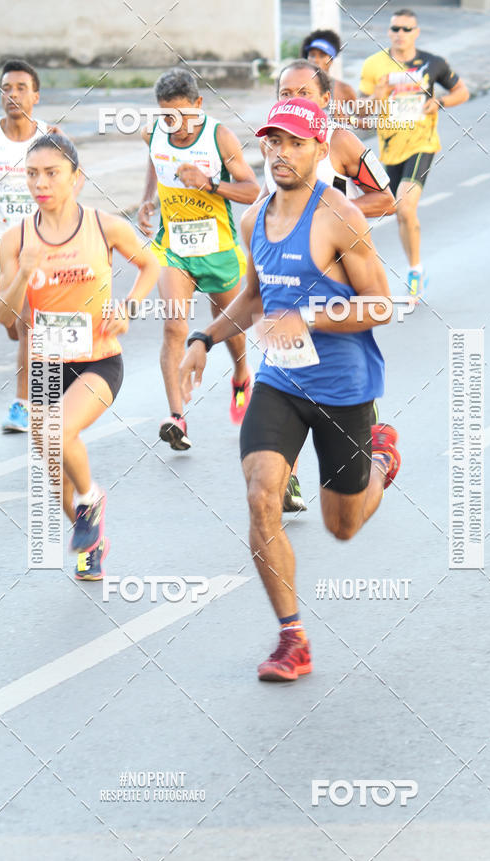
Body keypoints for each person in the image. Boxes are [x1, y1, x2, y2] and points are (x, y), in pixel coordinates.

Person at [180, 99, 401, 682]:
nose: (280, 152)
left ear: (320, 150)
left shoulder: (340, 216)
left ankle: (380, 459)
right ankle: (291, 639)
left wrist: (310, 316)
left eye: (295, 142)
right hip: (280, 379)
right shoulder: (254, 218)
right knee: (260, 496)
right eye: (272, 141)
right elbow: (253, 300)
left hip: (342, 386)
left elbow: (381, 304)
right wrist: (204, 336)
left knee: (342, 525)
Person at [0, 134, 160, 580]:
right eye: (32, 174)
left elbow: (151, 263)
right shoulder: (16, 239)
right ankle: (92, 538)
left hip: (99, 360)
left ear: (77, 178)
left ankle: (91, 499)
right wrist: (24, 274)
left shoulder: (104, 225)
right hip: (47, 365)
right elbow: (4, 316)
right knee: (56, 481)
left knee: (60, 429)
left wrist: (127, 306)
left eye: (51, 173)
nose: (40, 182)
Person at [259, 59, 395, 512]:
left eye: (303, 92)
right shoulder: (276, 143)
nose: (293, 98)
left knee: (333, 384)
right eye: (284, 92)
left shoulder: (339, 141)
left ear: (325, 100)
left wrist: (336, 219)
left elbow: (386, 198)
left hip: (338, 275)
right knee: (284, 373)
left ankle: (372, 449)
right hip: (288, 276)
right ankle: (288, 479)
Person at [137, 68, 260, 451]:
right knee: (174, 326)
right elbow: (156, 161)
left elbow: (252, 189)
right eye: (167, 116)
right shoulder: (155, 132)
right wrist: (148, 199)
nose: (178, 125)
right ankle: (176, 417)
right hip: (173, 248)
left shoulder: (218, 137)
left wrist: (209, 183)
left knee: (229, 330)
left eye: (184, 115)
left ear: (199, 106)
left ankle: (241, 373)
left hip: (218, 249)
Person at [0, 59, 81, 433]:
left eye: (21, 88)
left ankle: (22, 405)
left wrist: (61, 212)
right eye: (6, 88)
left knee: (28, 324)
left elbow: (76, 176)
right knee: (12, 323)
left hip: (39, 241)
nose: (12, 95)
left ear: (36, 96)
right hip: (1, 243)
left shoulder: (50, 137)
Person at [359, 8, 469, 296]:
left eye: (407, 29)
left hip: (422, 143)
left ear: (416, 33)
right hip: (389, 148)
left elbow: (463, 92)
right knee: (394, 211)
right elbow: (361, 111)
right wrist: (377, 96)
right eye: (395, 28)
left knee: (406, 207)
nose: (400, 34)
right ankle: (396, 269)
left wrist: (440, 101)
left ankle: (415, 272)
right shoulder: (373, 65)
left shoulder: (433, 64)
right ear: (388, 31)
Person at [301, 29, 357, 123]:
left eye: (322, 55)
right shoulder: (297, 86)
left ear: (331, 59)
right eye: (312, 55)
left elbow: (363, 121)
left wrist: (348, 119)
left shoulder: (343, 89)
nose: (316, 60)